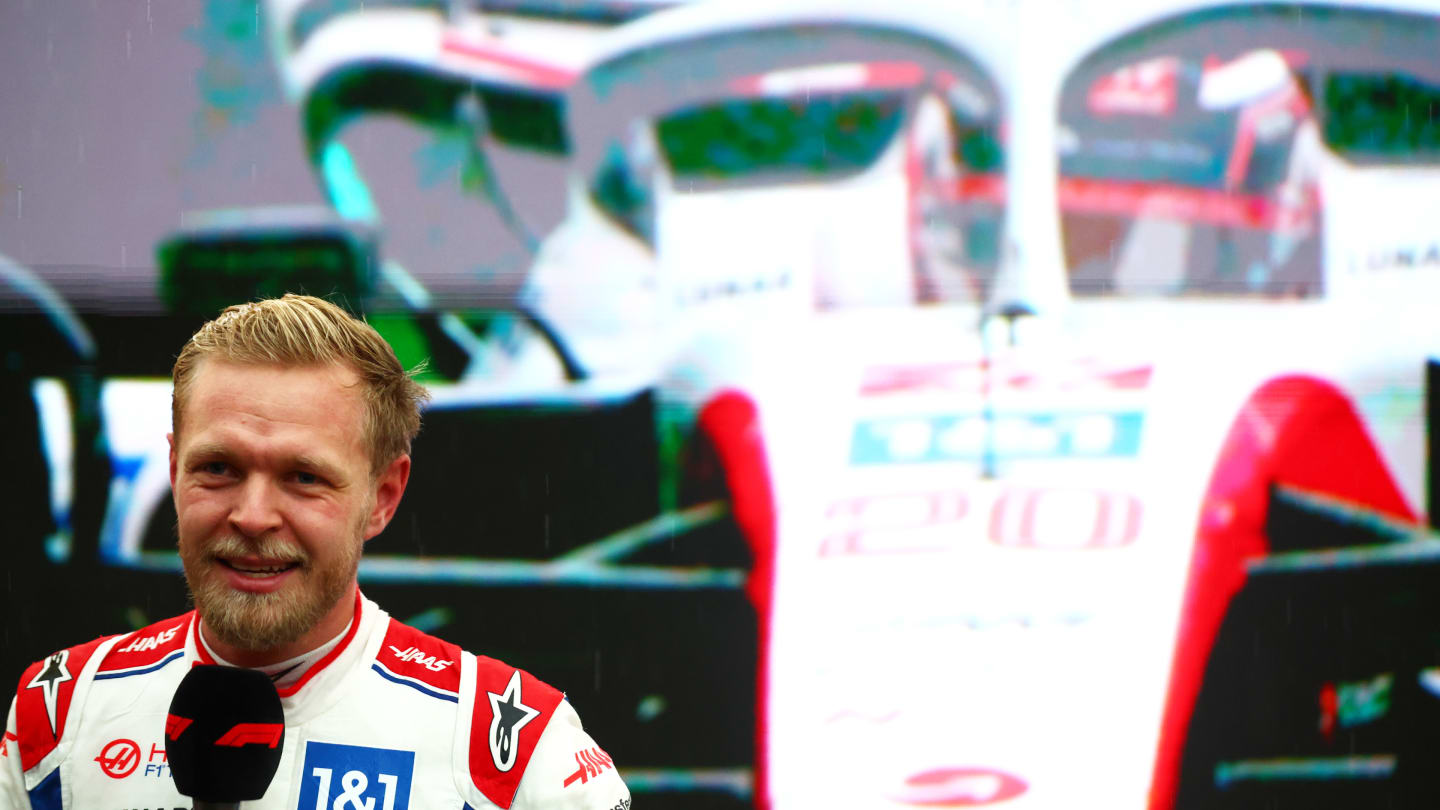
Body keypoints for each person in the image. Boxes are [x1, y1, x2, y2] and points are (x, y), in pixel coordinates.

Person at [0, 294, 631, 810]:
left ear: (383, 497)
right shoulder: (60, 713)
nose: (251, 516)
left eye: (303, 477)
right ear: (172, 468)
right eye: (217, 467)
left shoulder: (511, 751)